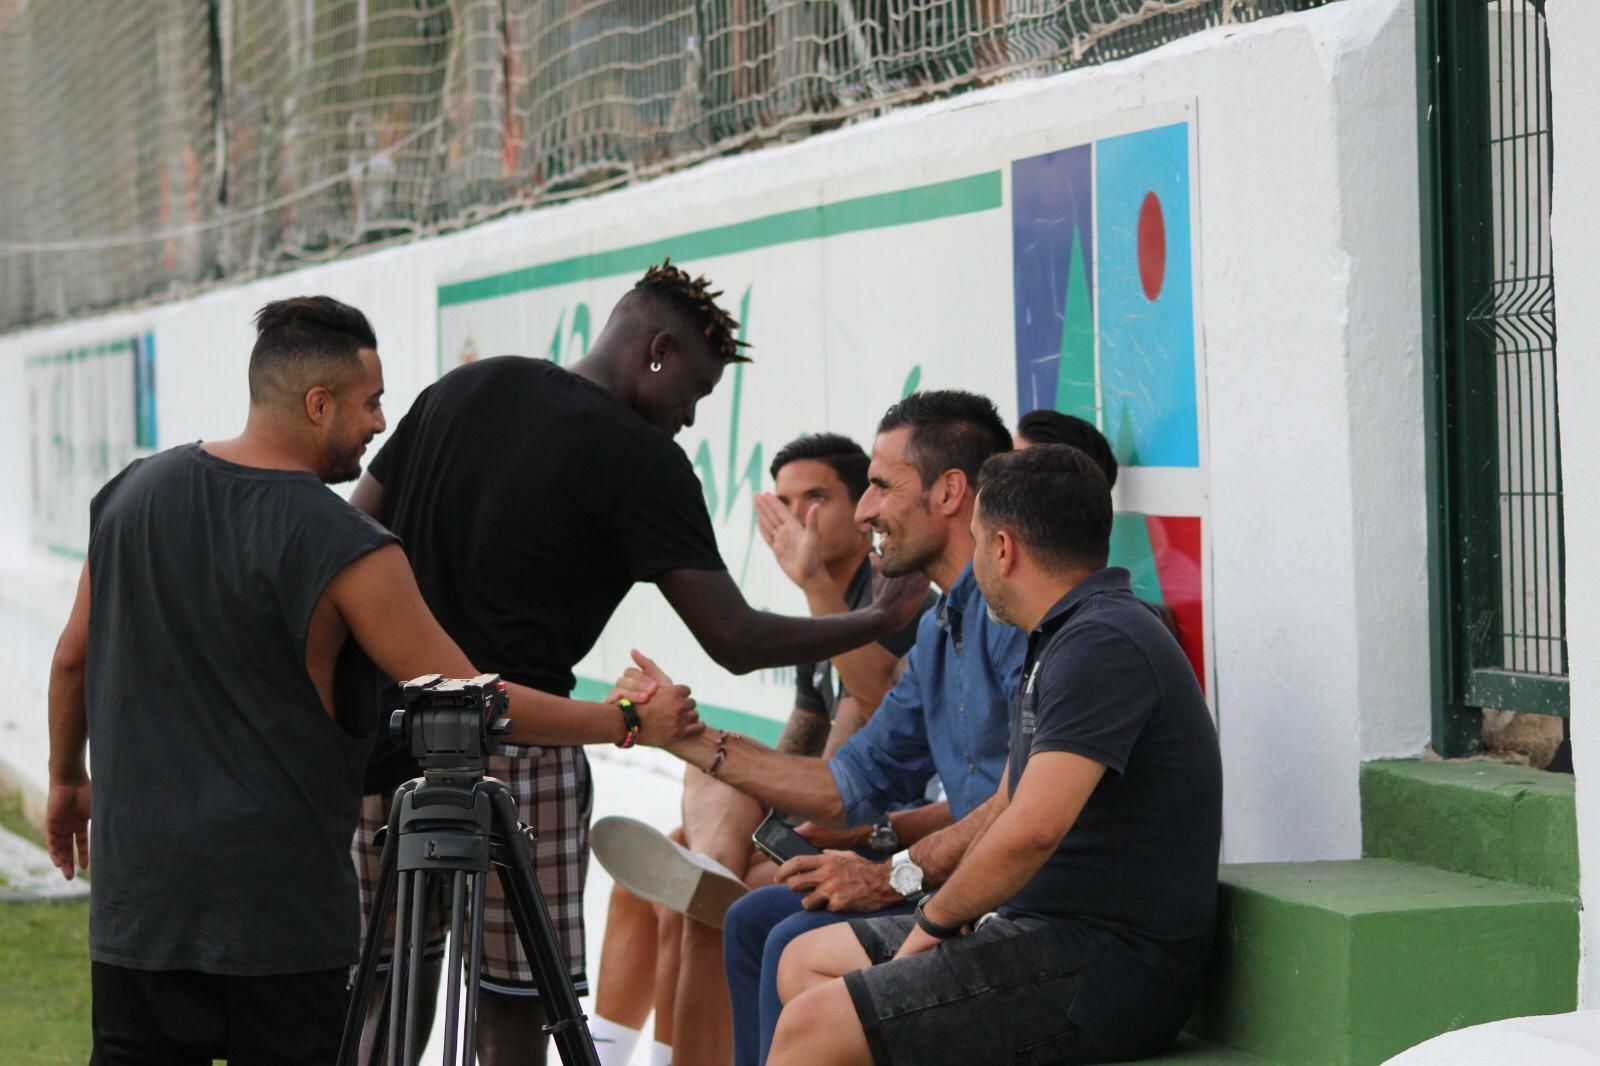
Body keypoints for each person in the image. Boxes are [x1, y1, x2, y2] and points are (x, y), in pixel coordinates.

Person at [44, 297, 701, 1066]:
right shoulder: (347, 544)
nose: (382, 422)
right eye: (371, 401)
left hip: (139, 915)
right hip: (280, 925)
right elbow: (475, 699)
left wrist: (66, 780)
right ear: (317, 404)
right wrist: (623, 716)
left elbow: (70, 660)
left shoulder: (131, 494)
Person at [347, 261, 929, 1064]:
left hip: (381, 734)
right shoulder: (642, 459)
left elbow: (351, 537)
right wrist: (882, 614)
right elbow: (735, 637)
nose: (688, 421)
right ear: (656, 351)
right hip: (522, 745)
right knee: (515, 1000)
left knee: (380, 988)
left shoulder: (465, 388)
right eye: (693, 394)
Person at [766, 444, 1224, 1066]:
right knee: (805, 961)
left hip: (1103, 972)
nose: (973, 561)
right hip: (1040, 935)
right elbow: (1007, 801)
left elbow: (1031, 829)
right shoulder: (1064, 636)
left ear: (1003, 549)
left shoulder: (1103, 643)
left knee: (813, 1026)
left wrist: (929, 928)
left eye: (978, 540)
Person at [614, 390, 1023, 1066]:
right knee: (747, 917)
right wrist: (690, 739)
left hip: (1005, 909)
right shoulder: (948, 626)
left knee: (775, 932)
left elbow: (1018, 811)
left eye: (879, 487)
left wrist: (891, 870)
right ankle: (712, 863)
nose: (867, 512)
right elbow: (844, 778)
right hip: (950, 882)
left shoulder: (1025, 620)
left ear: (950, 493)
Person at [588, 432, 931, 1066]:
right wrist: (752, 821)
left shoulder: (899, 599)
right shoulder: (831, 609)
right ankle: (612, 1053)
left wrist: (811, 585)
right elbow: (799, 737)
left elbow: (872, 712)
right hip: (830, 808)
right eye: (784, 499)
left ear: (862, 510)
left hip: (883, 826)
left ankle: (713, 871)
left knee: (704, 909)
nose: (799, 516)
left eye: (817, 497)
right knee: (656, 885)